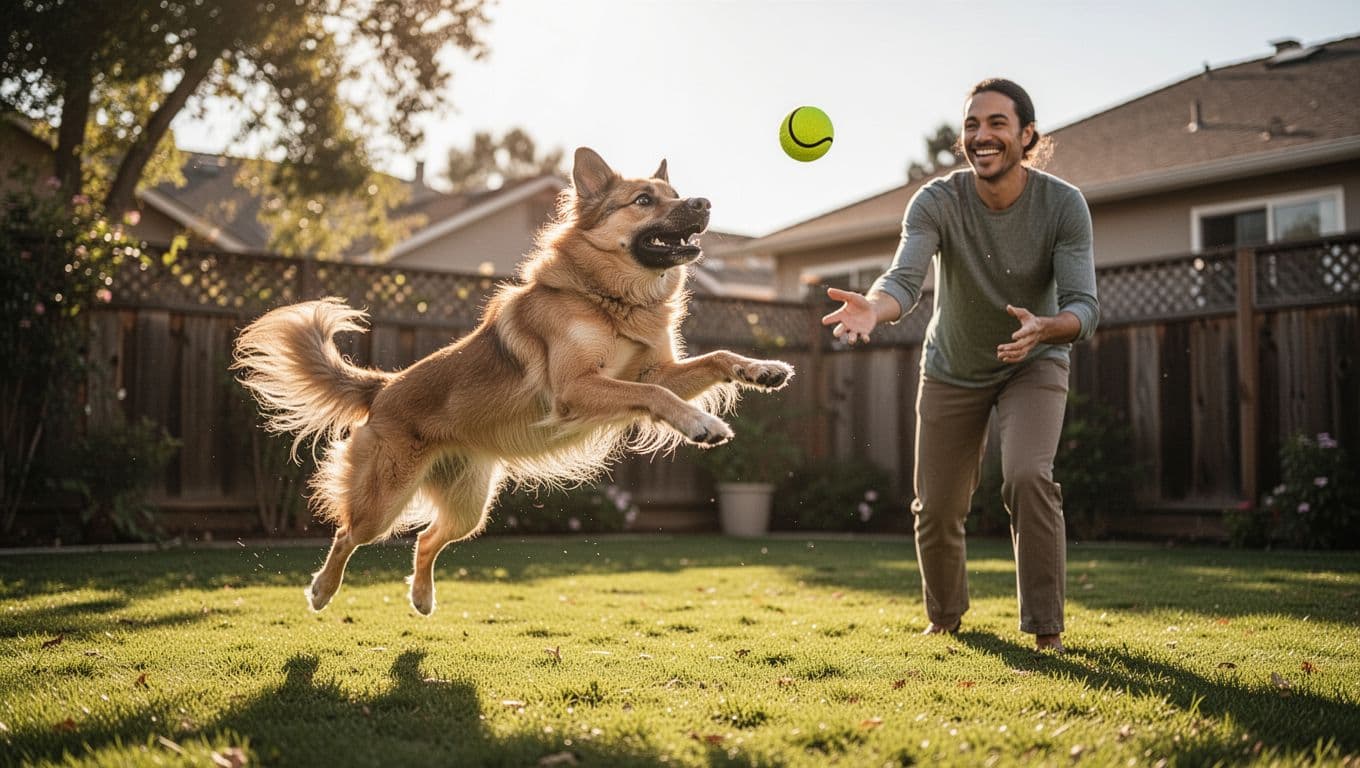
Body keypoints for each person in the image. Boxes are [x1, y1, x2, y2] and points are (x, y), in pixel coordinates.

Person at [821, 78, 1099, 652]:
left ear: (1026, 136)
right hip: (952, 365)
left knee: (1027, 476)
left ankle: (1046, 630)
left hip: (1035, 359)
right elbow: (903, 278)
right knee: (939, 504)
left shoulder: (1062, 205)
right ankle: (945, 619)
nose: (982, 135)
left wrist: (1049, 327)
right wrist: (875, 308)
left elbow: (1084, 306)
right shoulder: (937, 201)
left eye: (997, 124)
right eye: (972, 125)